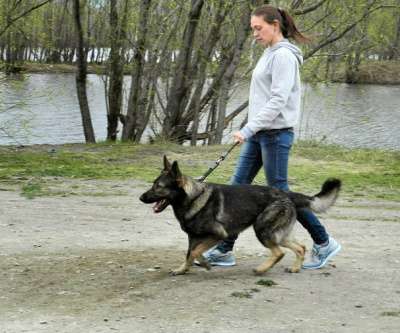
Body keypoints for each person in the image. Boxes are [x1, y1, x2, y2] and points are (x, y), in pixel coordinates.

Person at [203, 5, 341, 270]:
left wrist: (247, 129)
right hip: (259, 133)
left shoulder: (284, 57)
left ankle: (324, 243)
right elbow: (264, 99)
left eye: (259, 28)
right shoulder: (269, 53)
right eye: (252, 28)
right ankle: (224, 249)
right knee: (237, 187)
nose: (254, 33)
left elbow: (278, 100)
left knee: (282, 195)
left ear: (275, 24)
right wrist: (250, 127)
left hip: (275, 135)